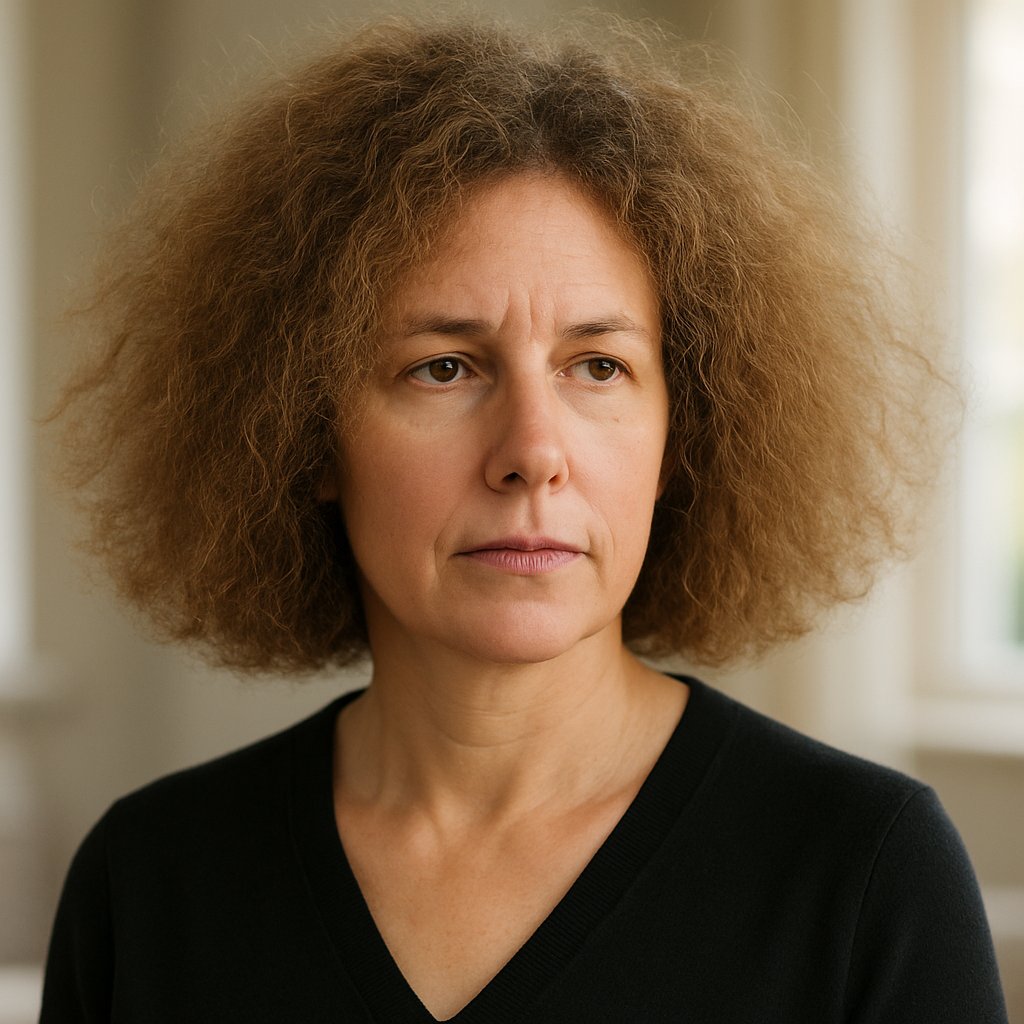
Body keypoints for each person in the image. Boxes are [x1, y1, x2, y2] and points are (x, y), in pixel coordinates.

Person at [40, 14, 1007, 1023]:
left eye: (598, 366)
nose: (531, 451)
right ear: (306, 433)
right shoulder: (150, 882)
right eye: (443, 367)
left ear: (683, 432)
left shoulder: (860, 870)